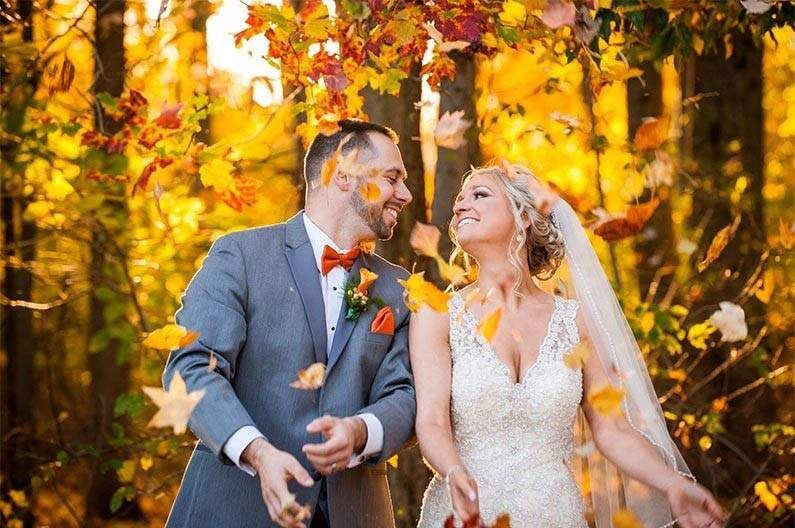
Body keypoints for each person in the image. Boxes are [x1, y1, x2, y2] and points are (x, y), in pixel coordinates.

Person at [413, 164, 728, 528]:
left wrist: (672, 484)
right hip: (464, 512)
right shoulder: (437, 315)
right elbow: (432, 421)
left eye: (479, 195)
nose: (460, 206)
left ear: (525, 216)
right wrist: (454, 474)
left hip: (555, 515)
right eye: (459, 199)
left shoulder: (576, 322)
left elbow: (612, 429)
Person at [162, 119, 416, 528]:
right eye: (392, 178)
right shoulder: (240, 257)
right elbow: (191, 368)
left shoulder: (400, 289)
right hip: (233, 511)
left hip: (354, 514)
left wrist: (361, 431)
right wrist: (257, 452)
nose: (405, 194)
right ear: (344, 174)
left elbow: (405, 394)